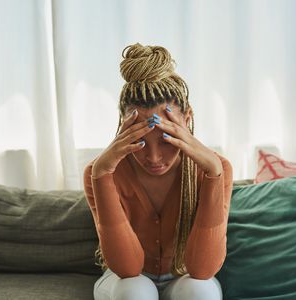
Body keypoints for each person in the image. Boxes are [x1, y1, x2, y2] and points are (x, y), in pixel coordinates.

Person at [83, 43, 233, 300]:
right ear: (124, 124)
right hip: (124, 281)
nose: (153, 158)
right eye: (141, 141)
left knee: (200, 292)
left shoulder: (215, 168)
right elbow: (127, 269)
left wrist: (213, 173)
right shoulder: (100, 171)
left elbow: (202, 269)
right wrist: (102, 174)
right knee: (134, 291)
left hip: (185, 278)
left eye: (166, 140)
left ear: (186, 120)